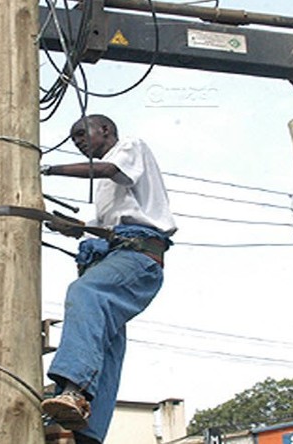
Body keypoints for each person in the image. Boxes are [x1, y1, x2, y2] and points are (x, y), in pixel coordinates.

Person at [40, 115, 176, 444]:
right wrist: (64, 224)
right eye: (73, 139)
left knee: (85, 293)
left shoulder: (130, 148)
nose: (78, 142)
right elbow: (94, 225)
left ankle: (73, 389)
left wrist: (47, 169)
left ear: (105, 130)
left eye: (81, 135)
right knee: (105, 342)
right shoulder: (104, 191)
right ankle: (88, 435)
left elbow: (109, 170)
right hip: (117, 255)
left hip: (138, 258)